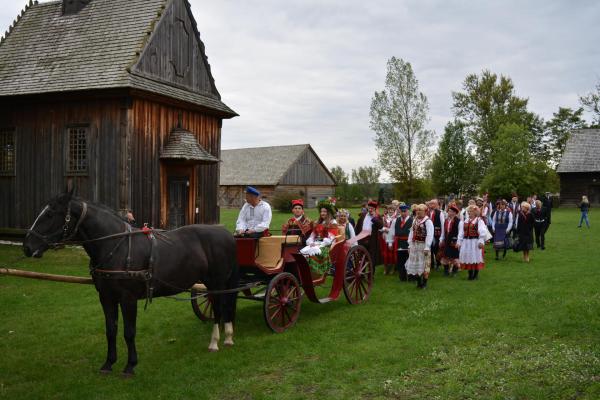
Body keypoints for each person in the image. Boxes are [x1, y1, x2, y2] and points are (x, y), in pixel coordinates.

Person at [300, 200, 338, 274]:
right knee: (304, 251)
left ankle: (316, 271)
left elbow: (332, 238)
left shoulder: (332, 222)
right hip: (316, 243)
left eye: (324, 211)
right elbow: (312, 235)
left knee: (314, 250)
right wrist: (310, 242)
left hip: (327, 244)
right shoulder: (318, 222)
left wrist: (320, 244)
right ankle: (306, 271)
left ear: (329, 213)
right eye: (321, 211)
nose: (322, 213)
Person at [405, 204, 434, 289]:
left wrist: (427, 246)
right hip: (415, 245)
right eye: (417, 210)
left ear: (425, 212)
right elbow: (411, 233)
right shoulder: (414, 220)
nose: (418, 212)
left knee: (425, 264)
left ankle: (424, 283)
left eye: (420, 210)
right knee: (416, 263)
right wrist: (410, 245)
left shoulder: (428, 221)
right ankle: (419, 282)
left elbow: (430, 235)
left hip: (423, 245)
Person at [457, 204, 488, 280]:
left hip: (475, 242)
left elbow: (483, 232)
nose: (469, 213)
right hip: (466, 242)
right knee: (468, 256)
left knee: (476, 257)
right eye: (468, 211)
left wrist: (481, 242)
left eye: (471, 211)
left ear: (475, 212)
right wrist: (459, 242)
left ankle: (475, 275)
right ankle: (470, 274)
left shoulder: (479, 221)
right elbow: (461, 233)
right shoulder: (464, 221)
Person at [354, 200, 383, 272]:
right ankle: (361, 273)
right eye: (369, 208)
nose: (370, 210)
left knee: (371, 258)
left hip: (372, 240)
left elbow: (381, 226)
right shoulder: (363, 215)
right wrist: (355, 238)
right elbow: (358, 227)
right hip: (362, 239)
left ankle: (371, 274)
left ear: (375, 209)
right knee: (361, 257)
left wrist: (374, 218)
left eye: (372, 209)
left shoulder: (377, 217)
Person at [387, 204, 412, 281]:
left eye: (405, 211)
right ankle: (402, 278)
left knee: (410, 261)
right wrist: (390, 242)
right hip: (399, 244)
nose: (403, 213)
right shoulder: (395, 220)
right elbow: (391, 232)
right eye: (402, 212)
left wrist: (412, 244)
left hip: (409, 244)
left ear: (408, 212)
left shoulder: (413, 220)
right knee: (400, 261)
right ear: (399, 212)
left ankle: (411, 277)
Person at [440, 205, 461, 277]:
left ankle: (454, 271)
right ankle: (446, 271)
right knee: (446, 255)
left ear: (455, 213)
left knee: (455, 256)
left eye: (451, 211)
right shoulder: (446, 221)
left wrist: (458, 242)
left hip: (454, 241)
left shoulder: (459, 221)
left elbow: (461, 233)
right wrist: (441, 239)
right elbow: (443, 231)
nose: (449, 213)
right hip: (447, 240)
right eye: (449, 211)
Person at [427, 199, 445, 270]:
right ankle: (430, 264)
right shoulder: (426, 213)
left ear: (437, 205)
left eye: (433, 204)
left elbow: (443, 225)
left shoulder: (440, 213)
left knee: (436, 249)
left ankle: (438, 263)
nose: (432, 205)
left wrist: (442, 237)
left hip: (437, 234)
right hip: (428, 234)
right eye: (431, 203)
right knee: (429, 249)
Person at [380, 204, 397, 275]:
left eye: (392, 210)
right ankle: (385, 268)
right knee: (385, 253)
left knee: (393, 253)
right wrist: (384, 229)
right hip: (385, 237)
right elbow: (382, 226)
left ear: (394, 211)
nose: (390, 211)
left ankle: (392, 268)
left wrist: (390, 230)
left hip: (393, 237)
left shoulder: (396, 218)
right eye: (389, 210)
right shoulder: (384, 217)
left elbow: (397, 228)